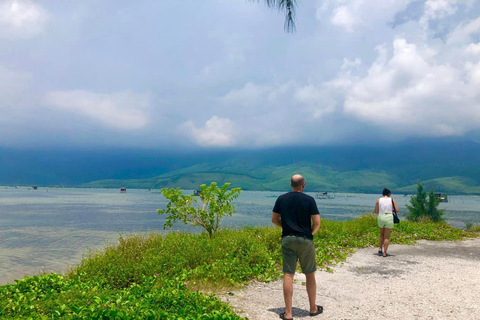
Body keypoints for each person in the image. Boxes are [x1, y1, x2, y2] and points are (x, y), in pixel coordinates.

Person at [271, 174, 323, 320]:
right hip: (306, 239)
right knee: (309, 273)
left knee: (288, 274)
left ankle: (288, 313)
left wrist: (286, 228)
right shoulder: (309, 200)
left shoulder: (281, 199)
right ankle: (313, 308)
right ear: (303, 185)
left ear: (290, 184)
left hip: (287, 239)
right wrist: (309, 233)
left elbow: (274, 220)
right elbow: (317, 223)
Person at [374, 188, 399, 257]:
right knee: (386, 237)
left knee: (381, 234)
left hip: (381, 216)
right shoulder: (392, 200)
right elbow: (397, 210)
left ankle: (379, 248)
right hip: (389, 217)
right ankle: (384, 253)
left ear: (382, 194)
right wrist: (391, 210)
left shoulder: (378, 200)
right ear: (389, 194)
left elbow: (376, 211)